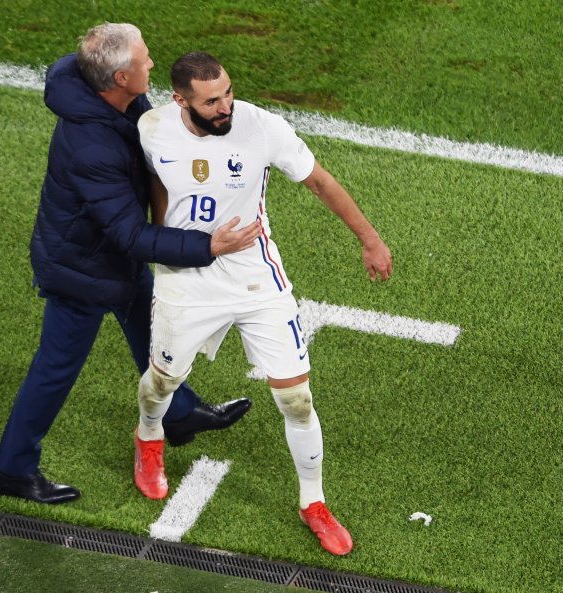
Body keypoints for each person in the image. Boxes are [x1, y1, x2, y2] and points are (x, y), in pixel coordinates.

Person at [0, 24, 261, 505]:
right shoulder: (92, 146)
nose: (152, 65)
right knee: (55, 369)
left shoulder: (103, 93)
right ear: (117, 77)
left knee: (148, 325)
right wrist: (207, 246)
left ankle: (176, 414)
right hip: (83, 271)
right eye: (144, 60)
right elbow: (129, 235)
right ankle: (11, 469)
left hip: (104, 259)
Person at [132, 51, 393, 556]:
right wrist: (165, 247)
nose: (225, 105)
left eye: (228, 92)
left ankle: (313, 502)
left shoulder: (261, 127)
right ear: (180, 100)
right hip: (186, 280)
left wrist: (369, 238)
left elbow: (319, 180)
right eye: (211, 101)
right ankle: (148, 437)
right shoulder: (152, 127)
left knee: (297, 399)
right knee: (162, 380)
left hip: (256, 278)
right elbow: (154, 182)